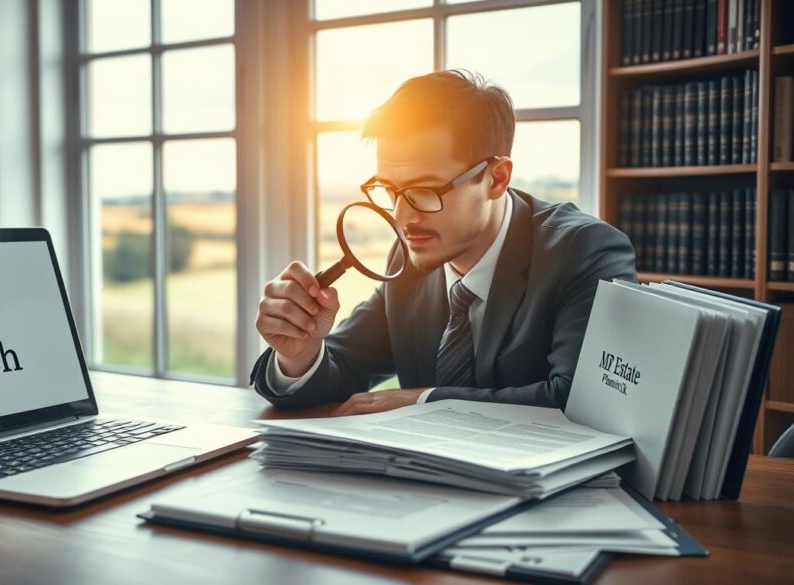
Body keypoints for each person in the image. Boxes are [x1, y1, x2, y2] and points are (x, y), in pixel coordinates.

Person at [250, 69, 637, 415]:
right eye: (388, 189)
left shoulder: (586, 252)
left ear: (497, 178)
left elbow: (579, 402)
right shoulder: (411, 257)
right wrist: (298, 355)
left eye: (424, 190)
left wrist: (420, 400)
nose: (401, 218)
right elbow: (343, 365)